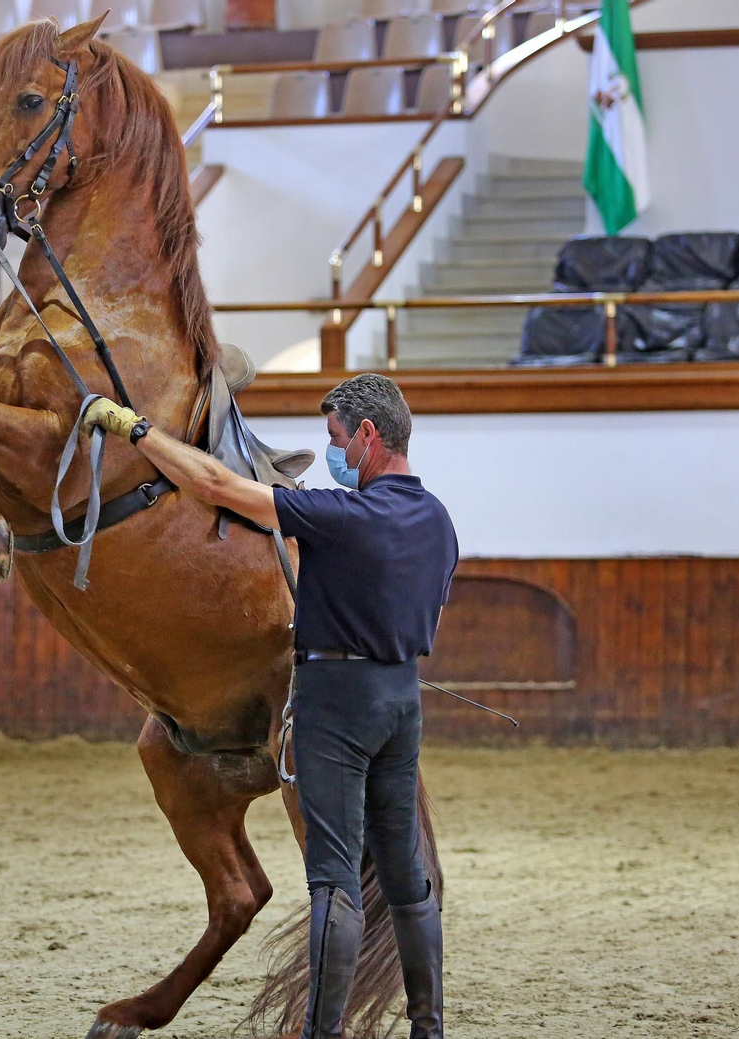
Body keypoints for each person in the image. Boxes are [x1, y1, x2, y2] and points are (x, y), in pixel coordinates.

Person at [84, 372, 458, 1039]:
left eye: (337, 438)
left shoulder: (339, 515)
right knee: (405, 877)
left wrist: (137, 430)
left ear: (368, 435)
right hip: (402, 699)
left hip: (336, 705)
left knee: (334, 880)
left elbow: (219, 488)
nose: (333, 451)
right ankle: (428, 1029)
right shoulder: (436, 517)